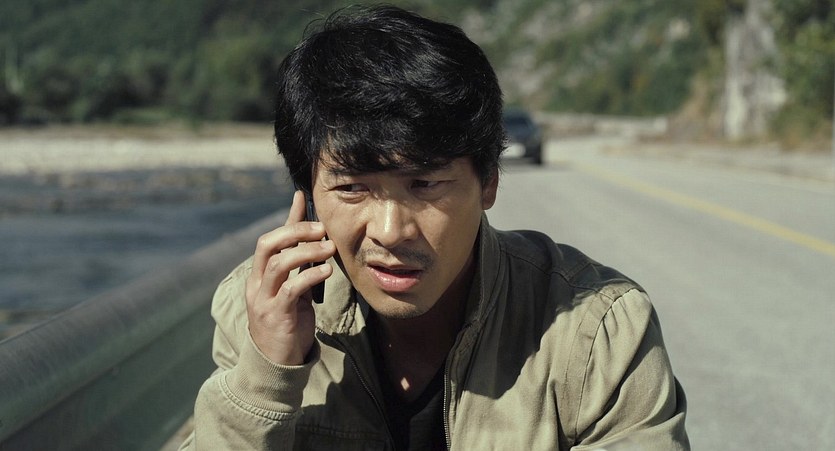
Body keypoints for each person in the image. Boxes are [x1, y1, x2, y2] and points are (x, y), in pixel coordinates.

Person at [182, 5, 689, 450]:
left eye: (424, 184)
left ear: (488, 183)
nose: (390, 231)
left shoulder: (595, 332)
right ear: (308, 196)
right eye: (352, 188)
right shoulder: (258, 314)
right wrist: (267, 377)